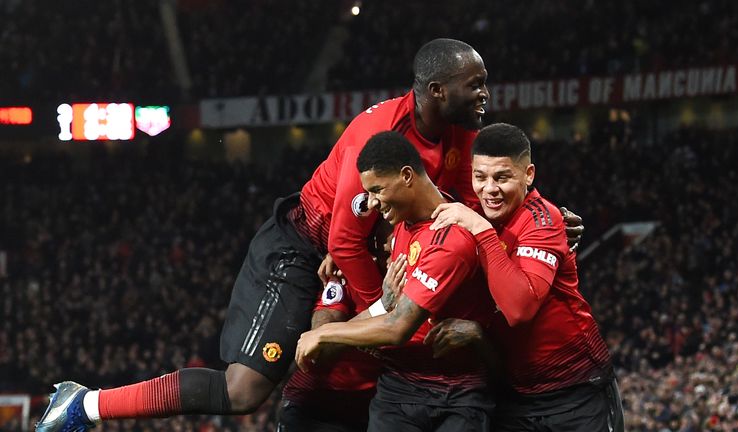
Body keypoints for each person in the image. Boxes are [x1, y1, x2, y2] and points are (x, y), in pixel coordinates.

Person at [34, 37, 497, 432]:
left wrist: (542, 216)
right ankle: (85, 404)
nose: (485, 94)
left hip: (362, 251)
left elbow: (473, 205)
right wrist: (381, 310)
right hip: (304, 246)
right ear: (436, 91)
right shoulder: (376, 135)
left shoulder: (460, 135)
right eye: (474, 84)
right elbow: (344, 242)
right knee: (243, 390)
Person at [295, 131, 497, 432]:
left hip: (456, 393)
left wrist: (325, 334)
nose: (372, 203)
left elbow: (399, 327)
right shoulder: (403, 219)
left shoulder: (450, 238)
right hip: (397, 388)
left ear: (406, 176)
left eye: (377, 190)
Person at [429, 123, 624, 431]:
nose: (489, 188)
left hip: (575, 393)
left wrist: (481, 230)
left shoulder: (542, 220)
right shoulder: (471, 213)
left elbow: (519, 309)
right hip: (514, 395)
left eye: (502, 177)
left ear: (528, 175)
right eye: (480, 177)